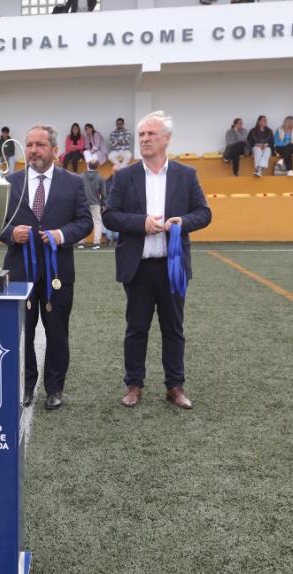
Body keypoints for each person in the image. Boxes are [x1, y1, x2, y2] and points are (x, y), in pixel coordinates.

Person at [103, 111, 212, 410]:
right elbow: (110, 216)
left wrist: (182, 222)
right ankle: (133, 385)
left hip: (172, 267)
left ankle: (175, 386)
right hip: (138, 267)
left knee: (173, 329)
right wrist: (141, 223)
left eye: (151, 134)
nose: (145, 139)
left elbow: (204, 214)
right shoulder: (124, 176)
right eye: (142, 134)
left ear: (166, 139)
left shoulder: (186, 175)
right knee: (136, 329)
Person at [0, 124, 92, 411]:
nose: (33, 150)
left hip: (58, 272)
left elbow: (85, 222)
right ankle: (26, 385)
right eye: (29, 145)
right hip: (19, 272)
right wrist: (11, 233)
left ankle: (54, 388)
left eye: (39, 145)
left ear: (55, 150)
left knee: (57, 331)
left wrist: (61, 235)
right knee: (22, 333)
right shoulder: (9, 182)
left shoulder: (74, 183)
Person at [79, 159, 107, 249]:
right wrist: (103, 204)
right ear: (97, 166)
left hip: (84, 203)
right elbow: (104, 193)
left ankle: (81, 243)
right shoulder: (100, 177)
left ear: (88, 166)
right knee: (97, 223)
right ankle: (96, 243)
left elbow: (78, 190)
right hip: (96, 203)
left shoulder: (81, 176)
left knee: (83, 222)